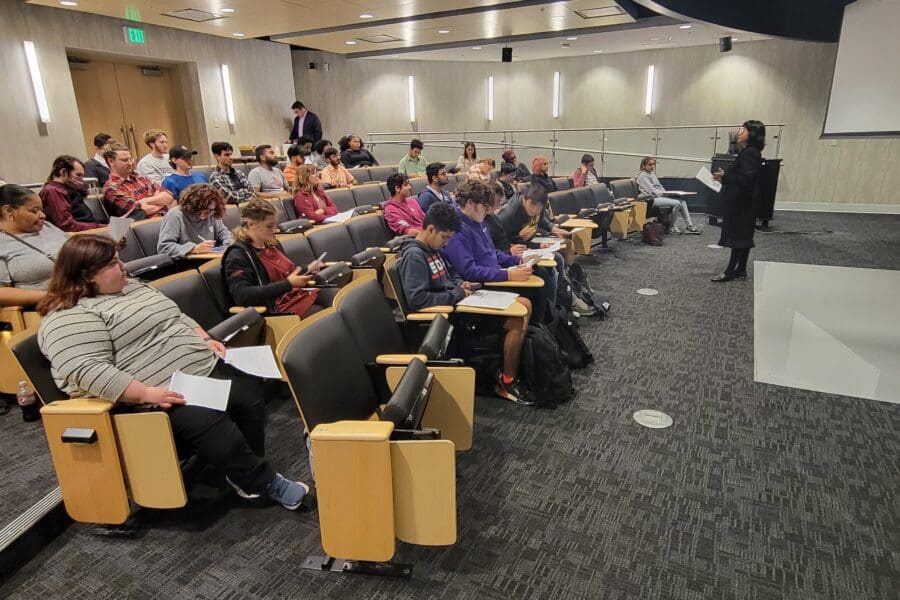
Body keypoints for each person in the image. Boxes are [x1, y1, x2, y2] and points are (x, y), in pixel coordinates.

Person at [37, 234, 312, 510]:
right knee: (212, 424)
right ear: (85, 276)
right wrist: (145, 393)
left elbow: (177, 316)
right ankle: (262, 481)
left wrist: (204, 339)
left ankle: (242, 468)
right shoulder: (69, 315)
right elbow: (84, 369)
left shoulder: (133, 287)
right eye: (111, 264)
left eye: (119, 260)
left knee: (249, 394)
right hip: (156, 392)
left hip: (199, 367)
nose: (123, 267)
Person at [398, 202, 535, 406]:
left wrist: (461, 284)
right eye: (444, 238)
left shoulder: (433, 249)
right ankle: (507, 381)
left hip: (462, 303)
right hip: (451, 317)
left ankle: (507, 366)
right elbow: (417, 300)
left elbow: (450, 274)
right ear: (430, 229)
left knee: (524, 303)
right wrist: (457, 293)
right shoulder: (415, 256)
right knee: (517, 318)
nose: (446, 244)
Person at [222, 199, 330, 317]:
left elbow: (288, 272)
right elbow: (242, 295)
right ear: (251, 224)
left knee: (337, 296)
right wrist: (288, 284)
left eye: (275, 225)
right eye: (269, 226)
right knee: (324, 314)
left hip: (294, 296)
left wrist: (307, 268)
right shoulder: (238, 255)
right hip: (276, 308)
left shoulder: (271, 244)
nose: (275, 230)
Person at [711, 120, 766, 282]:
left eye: (743, 130)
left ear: (753, 134)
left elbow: (747, 179)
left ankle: (730, 272)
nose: (739, 132)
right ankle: (741, 269)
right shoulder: (750, 151)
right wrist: (726, 177)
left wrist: (725, 177)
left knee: (738, 237)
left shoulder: (750, 153)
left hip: (743, 203)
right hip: (746, 201)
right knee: (745, 236)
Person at [0, 184, 69, 308]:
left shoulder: (46, 227)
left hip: (87, 292)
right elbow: (2, 292)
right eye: (35, 210)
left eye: (41, 210)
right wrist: (54, 296)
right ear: (9, 211)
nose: (43, 215)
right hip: (50, 307)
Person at [157, 183, 233, 259]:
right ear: (192, 205)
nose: (207, 213)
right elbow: (164, 247)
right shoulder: (175, 215)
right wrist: (193, 249)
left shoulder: (212, 213)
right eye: (203, 209)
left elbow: (223, 232)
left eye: (211, 210)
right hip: (185, 263)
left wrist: (230, 244)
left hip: (210, 259)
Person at [102, 143, 175, 219]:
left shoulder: (140, 178)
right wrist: (161, 203)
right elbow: (139, 211)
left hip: (164, 219)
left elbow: (168, 196)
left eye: (130, 159)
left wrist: (143, 201)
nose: (130, 163)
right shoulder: (111, 188)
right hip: (141, 226)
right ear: (111, 161)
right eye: (125, 160)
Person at [636, 157, 701, 235]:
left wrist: (667, 193)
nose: (652, 166)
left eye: (654, 164)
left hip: (658, 196)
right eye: (650, 164)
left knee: (682, 202)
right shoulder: (642, 176)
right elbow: (652, 191)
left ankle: (689, 226)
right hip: (650, 199)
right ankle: (671, 227)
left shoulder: (652, 174)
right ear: (643, 166)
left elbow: (659, 186)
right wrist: (664, 195)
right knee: (677, 203)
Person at [40, 155, 100, 232]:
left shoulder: (68, 188)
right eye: (78, 175)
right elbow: (67, 225)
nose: (82, 179)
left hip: (87, 228)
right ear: (63, 172)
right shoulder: (53, 191)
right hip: (78, 235)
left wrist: (80, 188)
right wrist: (99, 226)